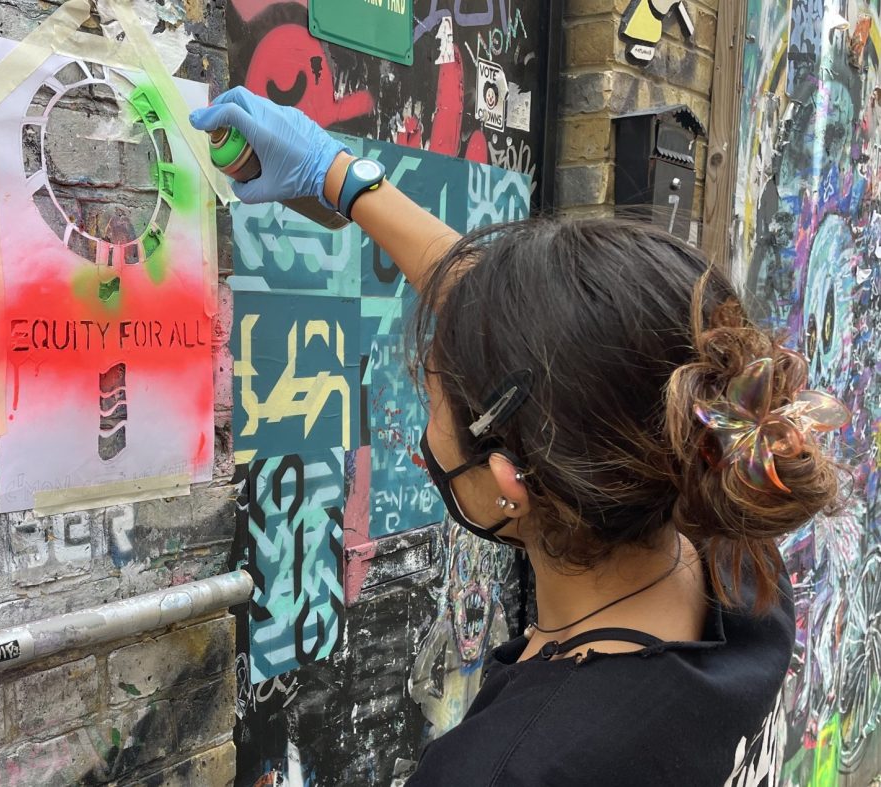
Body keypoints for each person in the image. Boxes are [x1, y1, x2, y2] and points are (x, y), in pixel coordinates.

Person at [190, 88, 850, 786]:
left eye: (434, 393)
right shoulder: (739, 565)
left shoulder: (503, 770)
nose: (424, 424)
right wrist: (341, 177)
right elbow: (556, 347)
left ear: (510, 479)